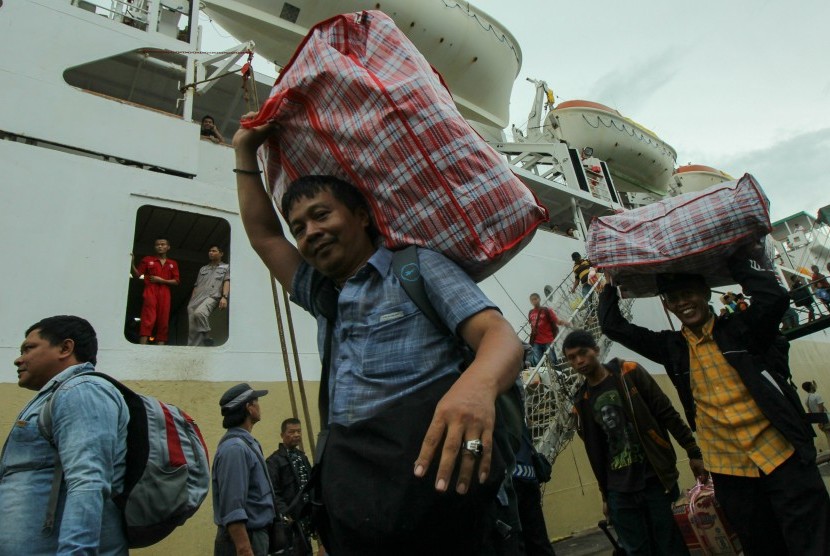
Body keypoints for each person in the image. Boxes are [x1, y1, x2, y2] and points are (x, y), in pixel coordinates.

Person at [233, 115, 523, 554]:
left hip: (441, 501)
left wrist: (477, 387)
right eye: (300, 227)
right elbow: (264, 236)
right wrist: (243, 153)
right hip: (362, 502)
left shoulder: (415, 269)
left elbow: (499, 336)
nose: (310, 232)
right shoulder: (322, 295)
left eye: (321, 215)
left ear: (363, 216)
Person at [599, 247, 830, 555]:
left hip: (782, 456)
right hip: (730, 471)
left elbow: (775, 297)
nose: (683, 302)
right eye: (674, 298)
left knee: (815, 544)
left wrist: (732, 257)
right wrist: (608, 284)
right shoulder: (672, 348)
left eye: (688, 293)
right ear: (666, 305)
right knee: (762, 548)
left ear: (705, 292)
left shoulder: (742, 329)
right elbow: (613, 326)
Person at [565, 329, 703, 556]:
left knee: (670, 546)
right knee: (636, 550)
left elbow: (666, 413)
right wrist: (605, 495)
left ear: (596, 351)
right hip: (619, 490)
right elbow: (596, 452)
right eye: (571, 358)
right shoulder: (582, 401)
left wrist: (693, 451)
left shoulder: (629, 372)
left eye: (583, 353)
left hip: (655, 479)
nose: (579, 361)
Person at [0, 316, 129, 554]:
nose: (19, 359)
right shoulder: (58, 395)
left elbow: (88, 481)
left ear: (65, 348)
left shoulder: (81, 391)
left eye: (29, 348)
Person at [213, 383, 275, 556]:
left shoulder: (247, 444)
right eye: (257, 402)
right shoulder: (235, 449)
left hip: (255, 537)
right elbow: (233, 506)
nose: (259, 406)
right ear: (249, 408)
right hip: (244, 540)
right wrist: (244, 548)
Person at [266, 418, 314, 555]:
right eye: (291, 432)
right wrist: (285, 514)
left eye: (299, 431)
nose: (296, 435)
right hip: (290, 523)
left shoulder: (302, 457)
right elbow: (273, 491)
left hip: (306, 520)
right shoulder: (274, 461)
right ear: (282, 435)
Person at [131, 238, 180, 344]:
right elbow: (138, 274)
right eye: (157, 245)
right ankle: (142, 344)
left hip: (165, 291)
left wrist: (161, 280)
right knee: (148, 317)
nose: (160, 246)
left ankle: (160, 346)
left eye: (163, 244)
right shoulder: (148, 260)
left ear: (168, 247)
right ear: (154, 247)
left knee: (164, 318)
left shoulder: (173, 263)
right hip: (151, 290)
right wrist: (132, 263)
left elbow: (176, 281)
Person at [187, 245, 230, 346]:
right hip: (197, 297)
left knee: (200, 313)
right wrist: (191, 302)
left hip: (213, 296)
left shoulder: (226, 267)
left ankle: (207, 336)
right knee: (192, 326)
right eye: (210, 251)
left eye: (214, 251)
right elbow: (196, 285)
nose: (211, 253)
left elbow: (227, 282)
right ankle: (194, 347)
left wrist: (224, 297)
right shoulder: (203, 269)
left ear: (221, 253)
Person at [528, 292, 571, 367]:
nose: (534, 301)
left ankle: (559, 375)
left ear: (539, 299)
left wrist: (565, 322)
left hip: (548, 339)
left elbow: (557, 321)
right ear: (530, 302)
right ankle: (547, 376)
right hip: (536, 341)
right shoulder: (530, 313)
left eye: (535, 299)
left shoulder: (547, 310)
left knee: (553, 359)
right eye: (532, 300)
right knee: (538, 361)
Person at [802, 381, 830, 448]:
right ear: (811, 387)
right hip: (826, 419)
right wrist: (822, 422)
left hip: (821, 422)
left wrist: (820, 423)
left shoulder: (806, 400)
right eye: (812, 385)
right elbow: (821, 409)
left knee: (828, 437)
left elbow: (811, 412)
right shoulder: (817, 396)